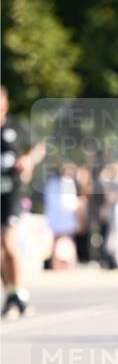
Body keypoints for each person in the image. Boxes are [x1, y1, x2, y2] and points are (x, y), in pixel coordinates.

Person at [1, 86, 44, 318]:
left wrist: (29, 159)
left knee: (7, 242)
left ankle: (16, 291)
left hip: (13, 193)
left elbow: (39, 147)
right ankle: (12, 293)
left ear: (5, 104)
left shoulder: (16, 126)